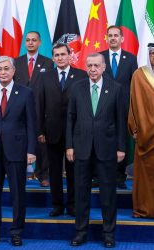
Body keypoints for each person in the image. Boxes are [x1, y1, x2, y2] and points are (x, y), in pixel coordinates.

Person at [66, 53, 126, 248]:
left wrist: (121, 148)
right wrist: (69, 145)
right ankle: (80, 232)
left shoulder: (116, 89)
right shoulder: (77, 88)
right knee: (81, 193)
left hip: (107, 149)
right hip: (81, 149)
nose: (92, 69)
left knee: (107, 194)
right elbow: (71, 119)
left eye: (96, 66)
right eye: (89, 65)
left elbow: (120, 122)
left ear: (103, 67)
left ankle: (108, 234)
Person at [0, 56, 36, 246]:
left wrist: (31, 150)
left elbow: (31, 124)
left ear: (13, 71)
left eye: (6, 69)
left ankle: (16, 231)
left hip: (17, 150)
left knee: (18, 193)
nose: (2, 72)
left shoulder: (26, 93)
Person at [37, 43, 87, 217]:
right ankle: (57, 205)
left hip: (75, 133)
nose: (60, 58)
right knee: (55, 172)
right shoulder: (45, 77)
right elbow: (39, 105)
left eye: (63, 54)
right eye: (56, 55)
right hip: (52, 132)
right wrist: (40, 131)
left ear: (69, 55)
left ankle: (73, 205)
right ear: (53, 58)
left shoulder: (81, 75)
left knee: (74, 172)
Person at [100, 25, 138, 189]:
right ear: (106, 38)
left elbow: (134, 85)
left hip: (123, 107)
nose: (113, 38)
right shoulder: (99, 57)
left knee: (122, 140)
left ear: (122, 39)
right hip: (102, 106)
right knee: (102, 139)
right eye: (110, 35)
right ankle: (101, 175)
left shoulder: (130, 58)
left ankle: (120, 176)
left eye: (116, 35)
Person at [14, 31, 53, 187]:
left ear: (40, 43)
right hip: (19, 110)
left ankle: (43, 175)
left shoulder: (48, 62)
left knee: (42, 144)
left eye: (34, 40)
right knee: (19, 142)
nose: (30, 42)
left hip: (41, 109)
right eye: (28, 40)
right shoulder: (16, 62)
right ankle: (20, 174)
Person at [128, 43, 154, 218]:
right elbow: (133, 105)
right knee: (145, 174)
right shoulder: (139, 75)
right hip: (146, 134)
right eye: (152, 53)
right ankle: (145, 208)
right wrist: (135, 127)